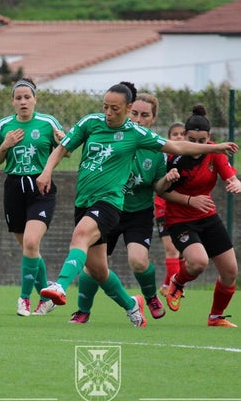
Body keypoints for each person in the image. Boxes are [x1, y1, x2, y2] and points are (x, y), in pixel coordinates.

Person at [35, 82, 237, 327]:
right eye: (105, 107)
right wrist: (47, 171)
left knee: (81, 236)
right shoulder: (90, 123)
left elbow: (178, 146)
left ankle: (60, 286)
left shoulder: (137, 134)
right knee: (98, 270)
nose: (108, 113)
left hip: (110, 202)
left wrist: (215, 147)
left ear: (127, 107)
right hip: (84, 201)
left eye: (115, 109)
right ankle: (132, 305)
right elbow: (63, 148)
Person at [68, 92, 167, 324]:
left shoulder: (154, 149)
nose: (138, 119)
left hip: (137, 213)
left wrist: (168, 180)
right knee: (94, 267)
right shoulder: (114, 136)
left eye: (145, 115)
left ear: (153, 119)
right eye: (135, 113)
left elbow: (159, 188)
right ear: (127, 111)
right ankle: (83, 310)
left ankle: (150, 296)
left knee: (139, 260)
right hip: (109, 207)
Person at [155, 105, 240, 327]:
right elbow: (161, 191)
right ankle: (177, 282)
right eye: (193, 139)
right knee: (198, 262)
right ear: (184, 136)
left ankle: (215, 317)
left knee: (230, 272)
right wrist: (188, 198)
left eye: (203, 141)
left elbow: (230, 176)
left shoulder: (215, 152)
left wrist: (235, 182)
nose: (199, 146)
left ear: (209, 138)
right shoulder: (173, 156)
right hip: (179, 220)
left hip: (207, 216)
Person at [0, 78, 63, 316]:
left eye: (27, 97)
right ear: (12, 101)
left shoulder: (47, 122)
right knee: (29, 248)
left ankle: (24, 299)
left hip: (41, 187)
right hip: (14, 188)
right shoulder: (4, 126)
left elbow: (66, 150)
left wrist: (63, 142)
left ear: (35, 100)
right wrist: (6, 145)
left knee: (31, 243)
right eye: (18, 98)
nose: (23, 101)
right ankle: (46, 295)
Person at [155, 121, 186, 296]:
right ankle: (175, 288)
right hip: (163, 207)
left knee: (184, 254)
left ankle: (167, 285)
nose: (179, 137)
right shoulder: (164, 157)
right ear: (169, 138)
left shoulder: (189, 158)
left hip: (182, 209)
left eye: (182, 134)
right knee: (172, 250)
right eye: (175, 134)